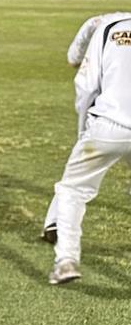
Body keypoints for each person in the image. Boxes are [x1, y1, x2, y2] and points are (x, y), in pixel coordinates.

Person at [49, 16, 131, 284]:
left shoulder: (107, 27)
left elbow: (86, 87)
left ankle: (66, 260)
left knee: (72, 190)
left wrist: (83, 130)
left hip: (108, 127)